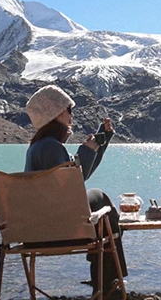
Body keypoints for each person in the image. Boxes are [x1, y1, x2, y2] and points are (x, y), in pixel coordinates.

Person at [24, 84, 127, 294]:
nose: (71, 115)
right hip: (57, 231)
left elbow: (75, 179)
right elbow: (72, 189)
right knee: (103, 204)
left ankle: (106, 281)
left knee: (99, 200)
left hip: (38, 230)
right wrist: (87, 150)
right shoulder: (51, 147)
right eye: (68, 109)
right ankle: (108, 283)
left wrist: (100, 142)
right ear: (55, 113)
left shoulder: (41, 145)